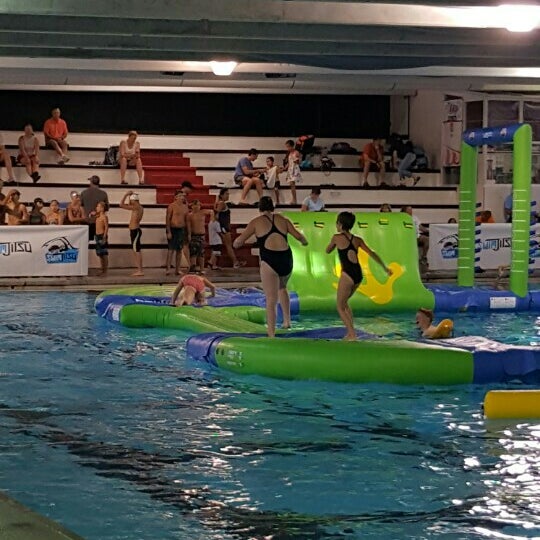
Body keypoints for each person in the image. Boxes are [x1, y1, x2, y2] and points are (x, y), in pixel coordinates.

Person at [233, 196, 308, 338]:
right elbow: (300, 237)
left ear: (259, 208)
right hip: (286, 259)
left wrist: (238, 243)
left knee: (271, 298)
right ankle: (287, 321)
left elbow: (238, 242)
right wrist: (305, 242)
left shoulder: (256, 222)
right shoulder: (283, 220)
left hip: (269, 259)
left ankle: (271, 333)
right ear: (272, 207)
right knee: (282, 288)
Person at [326, 211, 392, 340]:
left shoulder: (336, 237)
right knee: (345, 303)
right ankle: (351, 331)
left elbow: (327, 250)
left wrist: (333, 245)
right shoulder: (357, 240)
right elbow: (372, 253)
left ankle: (352, 334)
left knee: (340, 306)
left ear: (340, 224)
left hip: (347, 274)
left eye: (337, 223)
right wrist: (385, 268)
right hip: (358, 275)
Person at [214, 187, 245, 269]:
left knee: (228, 246)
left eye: (228, 194)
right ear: (222, 195)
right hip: (224, 227)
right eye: (226, 194)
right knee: (228, 246)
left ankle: (235, 261)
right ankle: (235, 262)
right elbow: (216, 215)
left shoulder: (221, 203)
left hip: (225, 226)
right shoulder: (221, 204)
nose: (228, 195)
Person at [119, 191, 144, 276]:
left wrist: (126, 194)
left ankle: (140, 270)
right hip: (135, 230)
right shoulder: (139, 207)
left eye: (131, 200)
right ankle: (139, 269)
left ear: (133, 200)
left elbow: (121, 205)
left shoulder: (136, 207)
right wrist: (130, 197)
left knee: (137, 250)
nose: (130, 201)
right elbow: (129, 204)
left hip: (135, 230)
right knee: (136, 250)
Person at [165, 189, 189, 275]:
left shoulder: (185, 207)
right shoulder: (171, 206)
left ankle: (177, 269)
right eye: (180, 196)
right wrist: (168, 231)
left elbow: (187, 220)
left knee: (179, 250)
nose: (182, 197)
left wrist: (188, 232)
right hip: (173, 228)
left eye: (183, 196)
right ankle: (168, 268)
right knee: (171, 249)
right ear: (176, 197)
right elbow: (168, 219)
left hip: (181, 229)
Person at [187, 199, 213, 273]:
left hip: (201, 235)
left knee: (201, 253)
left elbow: (212, 211)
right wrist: (189, 235)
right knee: (193, 253)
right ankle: (193, 267)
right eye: (195, 205)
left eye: (198, 205)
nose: (196, 207)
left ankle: (202, 269)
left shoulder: (203, 212)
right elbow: (188, 226)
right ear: (192, 206)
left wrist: (212, 220)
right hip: (193, 235)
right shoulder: (189, 215)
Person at [283, 139, 302, 205]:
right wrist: (284, 168)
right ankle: (294, 199)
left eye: (289, 146)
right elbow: (289, 162)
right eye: (287, 147)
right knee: (291, 185)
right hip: (290, 169)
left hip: (295, 169)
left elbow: (299, 161)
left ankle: (294, 199)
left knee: (292, 184)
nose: (288, 148)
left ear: (292, 146)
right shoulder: (289, 153)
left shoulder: (296, 152)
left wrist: (296, 160)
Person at [94, 201, 109, 276]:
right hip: (97, 236)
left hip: (102, 235)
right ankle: (102, 269)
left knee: (104, 254)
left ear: (102, 208)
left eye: (98, 206)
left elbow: (106, 227)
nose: (96, 208)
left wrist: (104, 236)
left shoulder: (104, 217)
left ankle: (105, 271)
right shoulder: (97, 217)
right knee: (100, 254)